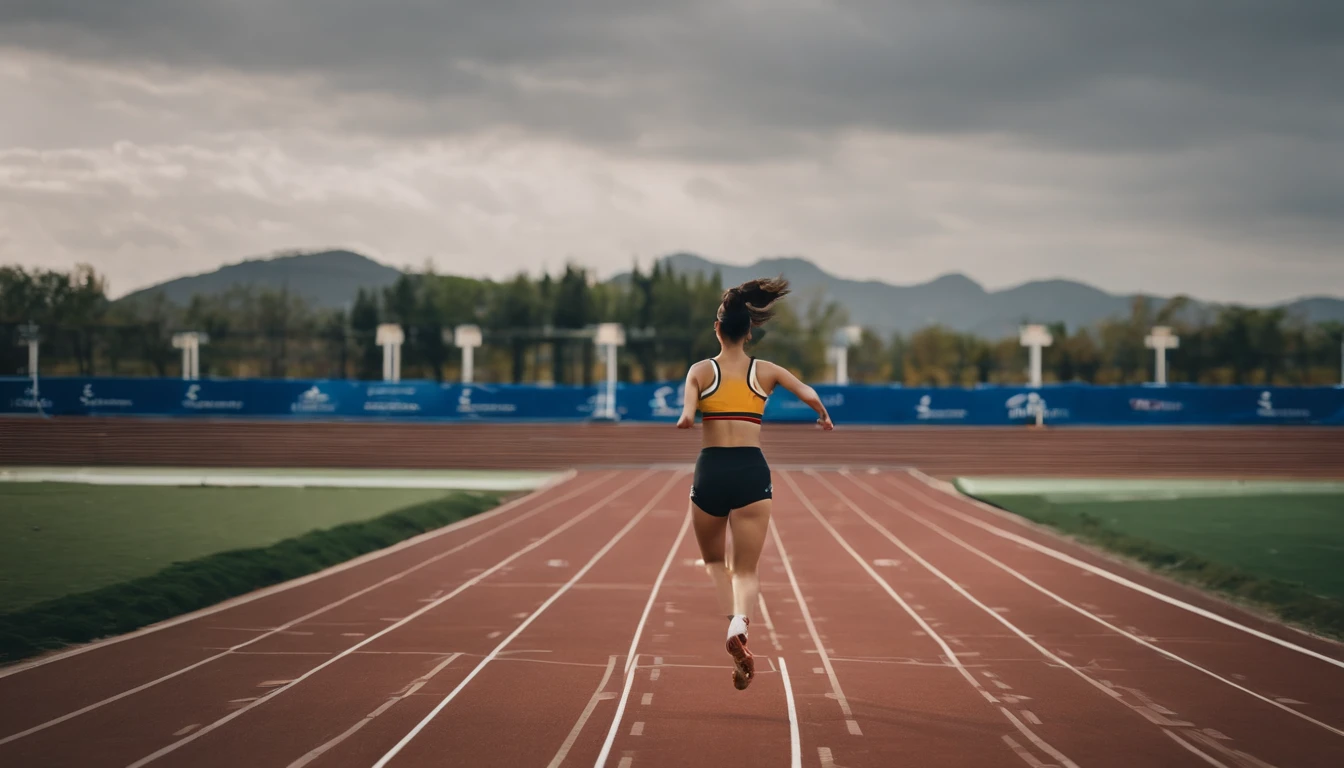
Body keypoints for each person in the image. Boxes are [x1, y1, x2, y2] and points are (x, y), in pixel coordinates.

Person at [676, 277, 834, 690]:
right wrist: (822, 414)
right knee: (746, 568)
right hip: (751, 470)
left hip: (710, 470)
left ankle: (732, 620)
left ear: (717, 328)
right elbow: (809, 392)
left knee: (714, 562)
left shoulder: (700, 371)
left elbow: (688, 412)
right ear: (750, 331)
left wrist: (689, 416)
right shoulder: (766, 371)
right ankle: (741, 622)